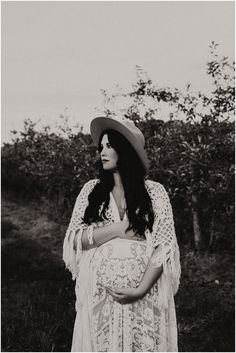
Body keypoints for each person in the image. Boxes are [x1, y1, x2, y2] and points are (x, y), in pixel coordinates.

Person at [63, 116, 181, 352]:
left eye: (109, 146)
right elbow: (75, 238)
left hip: (145, 295)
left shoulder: (155, 192)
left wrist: (140, 289)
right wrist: (118, 229)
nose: (102, 152)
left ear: (125, 151)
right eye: (101, 147)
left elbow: (164, 246)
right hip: (101, 296)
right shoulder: (91, 190)